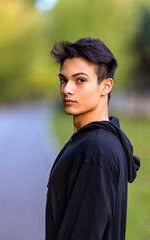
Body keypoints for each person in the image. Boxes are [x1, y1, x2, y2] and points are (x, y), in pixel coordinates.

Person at [45, 37, 140, 240]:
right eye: (63, 80)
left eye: (80, 80)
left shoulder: (95, 150)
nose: (66, 89)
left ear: (106, 86)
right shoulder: (100, 140)